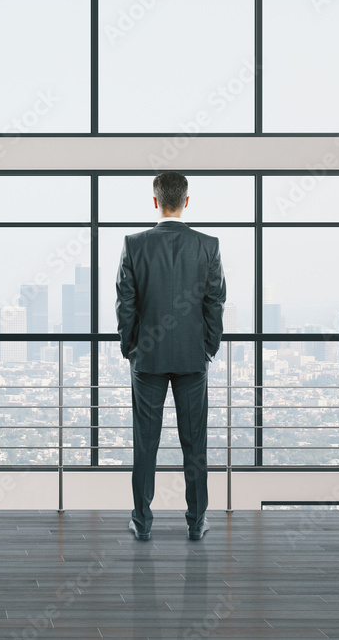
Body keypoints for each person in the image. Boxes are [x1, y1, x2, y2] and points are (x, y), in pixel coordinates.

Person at [115, 172, 226, 541]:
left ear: (155, 201)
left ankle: (142, 522)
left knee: (145, 443)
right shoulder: (207, 245)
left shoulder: (134, 245)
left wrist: (130, 348)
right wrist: (208, 346)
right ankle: (196, 522)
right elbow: (215, 302)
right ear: (187, 201)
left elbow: (125, 305)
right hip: (193, 359)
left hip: (147, 359)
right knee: (195, 443)